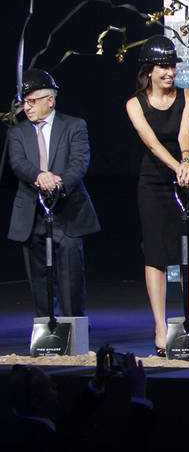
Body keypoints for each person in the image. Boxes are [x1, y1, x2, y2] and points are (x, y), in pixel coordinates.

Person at [125, 35, 189, 357]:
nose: (170, 72)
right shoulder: (135, 103)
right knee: (155, 254)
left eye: (173, 66)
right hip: (153, 183)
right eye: (164, 67)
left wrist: (185, 162)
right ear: (150, 70)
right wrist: (175, 167)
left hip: (185, 179)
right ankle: (160, 326)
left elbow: (185, 132)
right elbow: (152, 143)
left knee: (188, 252)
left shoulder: (188, 96)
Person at [7, 69, 99, 319]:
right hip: (32, 213)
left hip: (68, 211)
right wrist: (39, 176)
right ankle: (47, 330)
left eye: (32, 101)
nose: (27, 107)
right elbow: (18, 164)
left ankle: (74, 329)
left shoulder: (74, 126)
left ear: (50, 100)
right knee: (39, 277)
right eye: (24, 102)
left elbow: (80, 162)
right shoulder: (18, 132)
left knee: (71, 276)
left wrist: (59, 182)